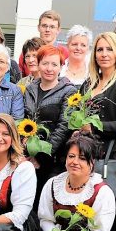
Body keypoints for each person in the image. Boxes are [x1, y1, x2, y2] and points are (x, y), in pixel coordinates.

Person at [49, 32, 116, 231]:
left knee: (111, 213)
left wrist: (96, 126)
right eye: (100, 50)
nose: (104, 54)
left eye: (109, 49)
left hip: (113, 156)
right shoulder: (89, 83)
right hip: (88, 156)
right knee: (86, 210)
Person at [23, 45, 77, 191]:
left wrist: (41, 157)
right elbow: (23, 119)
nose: (49, 68)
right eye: (45, 63)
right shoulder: (30, 89)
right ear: (38, 64)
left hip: (53, 159)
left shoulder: (69, 91)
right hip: (27, 157)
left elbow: (63, 126)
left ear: (61, 67)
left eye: (54, 64)